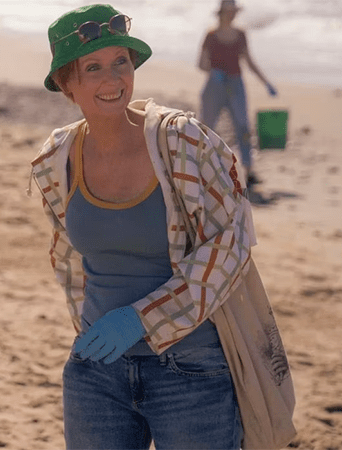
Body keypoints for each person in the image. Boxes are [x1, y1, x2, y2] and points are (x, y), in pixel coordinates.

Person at [31, 4, 258, 448]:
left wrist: (141, 319)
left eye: (121, 61)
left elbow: (231, 244)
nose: (113, 79)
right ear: (68, 84)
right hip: (96, 375)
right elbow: (69, 259)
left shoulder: (184, 141)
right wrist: (90, 333)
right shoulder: (54, 161)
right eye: (92, 67)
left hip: (191, 370)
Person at [198, 0, 277, 186]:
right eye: (228, 11)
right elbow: (200, 63)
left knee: (243, 128)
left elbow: (249, 61)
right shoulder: (211, 35)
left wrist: (266, 83)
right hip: (214, 87)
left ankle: (248, 172)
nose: (232, 15)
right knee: (205, 129)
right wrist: (213, 72)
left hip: (236, 86)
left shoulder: (241, 35)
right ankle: (200, 169)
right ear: (221, 13)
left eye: (234, 11)